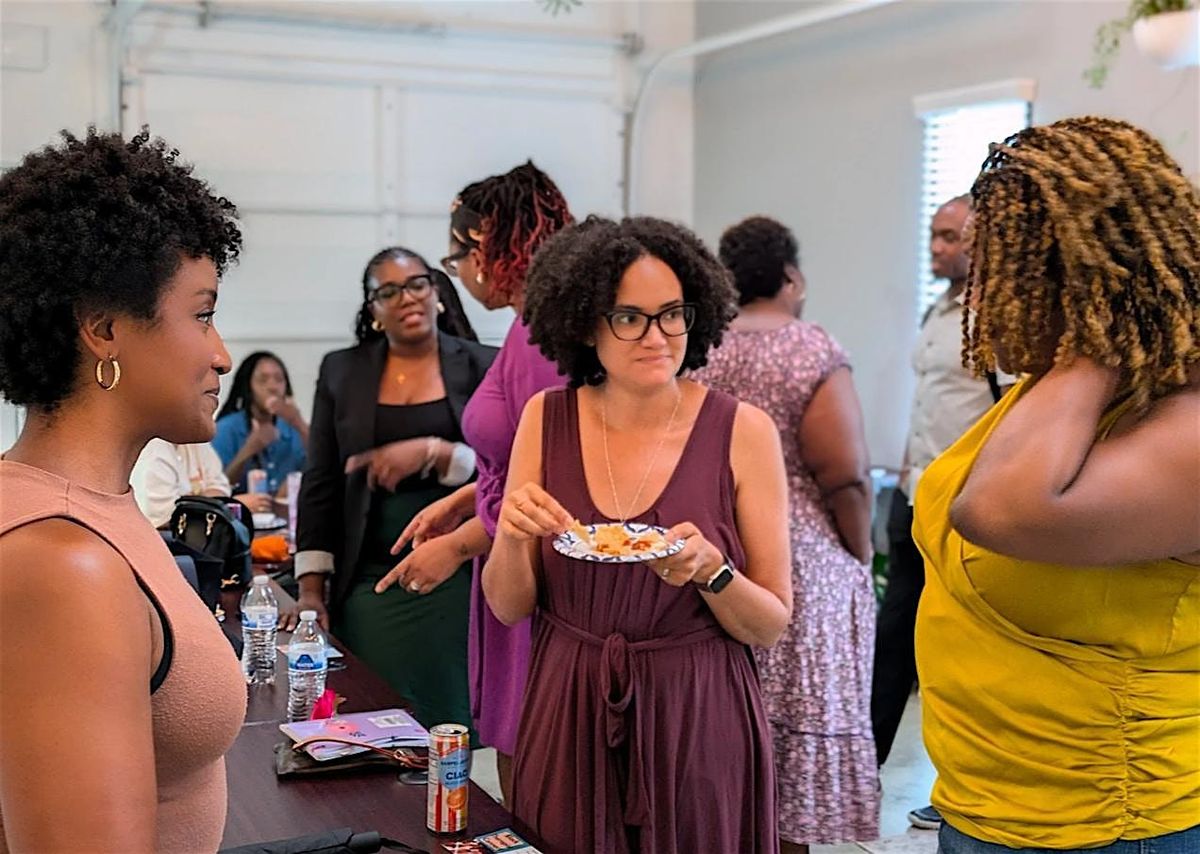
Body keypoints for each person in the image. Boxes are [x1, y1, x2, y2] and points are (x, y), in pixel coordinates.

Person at [915, 117, 1200, 851]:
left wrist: (1098, 330)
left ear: (1078, 278)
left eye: (1003, 270)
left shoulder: (1187, 421)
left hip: (1110, 826)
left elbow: (999, 510)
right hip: (983, 806)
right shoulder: (1055, 395)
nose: (980, 295)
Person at [483, 215, 793, 853]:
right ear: (585, 324)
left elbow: (769, 624)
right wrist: (511, 536)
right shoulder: (547, 418)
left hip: (697, 713)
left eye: (671, 314)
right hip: (568, 702)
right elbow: (509, 606)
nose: (656, 336)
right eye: (630, 317)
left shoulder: (744, 431)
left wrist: (712, 572)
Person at [0, 128, 247, 852]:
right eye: (202, 314)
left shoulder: (87, 511)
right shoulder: (63, 562)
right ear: (105, 330)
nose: (221, 354)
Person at [375, 162, 573, 800]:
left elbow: (557, 481)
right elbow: (518, 457)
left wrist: (460, 545)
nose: (457, 272)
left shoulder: (541, 337)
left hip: (533, 571)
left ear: (489, 252)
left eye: (456, 258)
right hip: (507, 550)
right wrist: (465, 501)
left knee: (534, 772)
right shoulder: (525, 327)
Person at [693, 216, 879, 849]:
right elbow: (846, 474)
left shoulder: (703, 348)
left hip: (720, 558)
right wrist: (861, 552)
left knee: (730, 738)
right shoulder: (811, 349)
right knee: (791, 756)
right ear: (791, 277)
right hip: (801, 563)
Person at [287, 246, 495, 735]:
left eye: (416, 284)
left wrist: (435, 453)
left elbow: (507, 470)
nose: (407, 298)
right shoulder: (342, 371)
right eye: (388, 291)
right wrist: (311, 590)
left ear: (436, 291)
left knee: (451, 718)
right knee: (374, 719)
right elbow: (321, 481)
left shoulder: (484, 364)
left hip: (461, 569)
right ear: (373, 309)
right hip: (371, 577)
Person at [869, 193, 1011, 830]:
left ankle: (961, 787)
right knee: (897, 634)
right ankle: (862, 769)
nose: (937, 247)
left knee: (967, 654)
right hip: (917, 499)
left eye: (950, 237)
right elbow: (927, 403)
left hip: (968, 511)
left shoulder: (999, 320)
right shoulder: (939, 310)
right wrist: (904, 473)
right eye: (934, 234)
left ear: (981, 244)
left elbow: (1009, 417)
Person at [212, 351, 308, 496]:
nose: (273, 387)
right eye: (263, 380)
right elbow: (217, 486)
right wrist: (249, 449)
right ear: (248, 386)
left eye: (279, 380)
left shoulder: (293, 427)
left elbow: (321, 466)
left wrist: (299, 423)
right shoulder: (226, 429)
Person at [130, 438, 272, 527]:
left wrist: (199, 503)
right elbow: (166, 517)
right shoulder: (153, 447)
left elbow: (220, 485)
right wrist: (228, 506)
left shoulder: (194, 436)